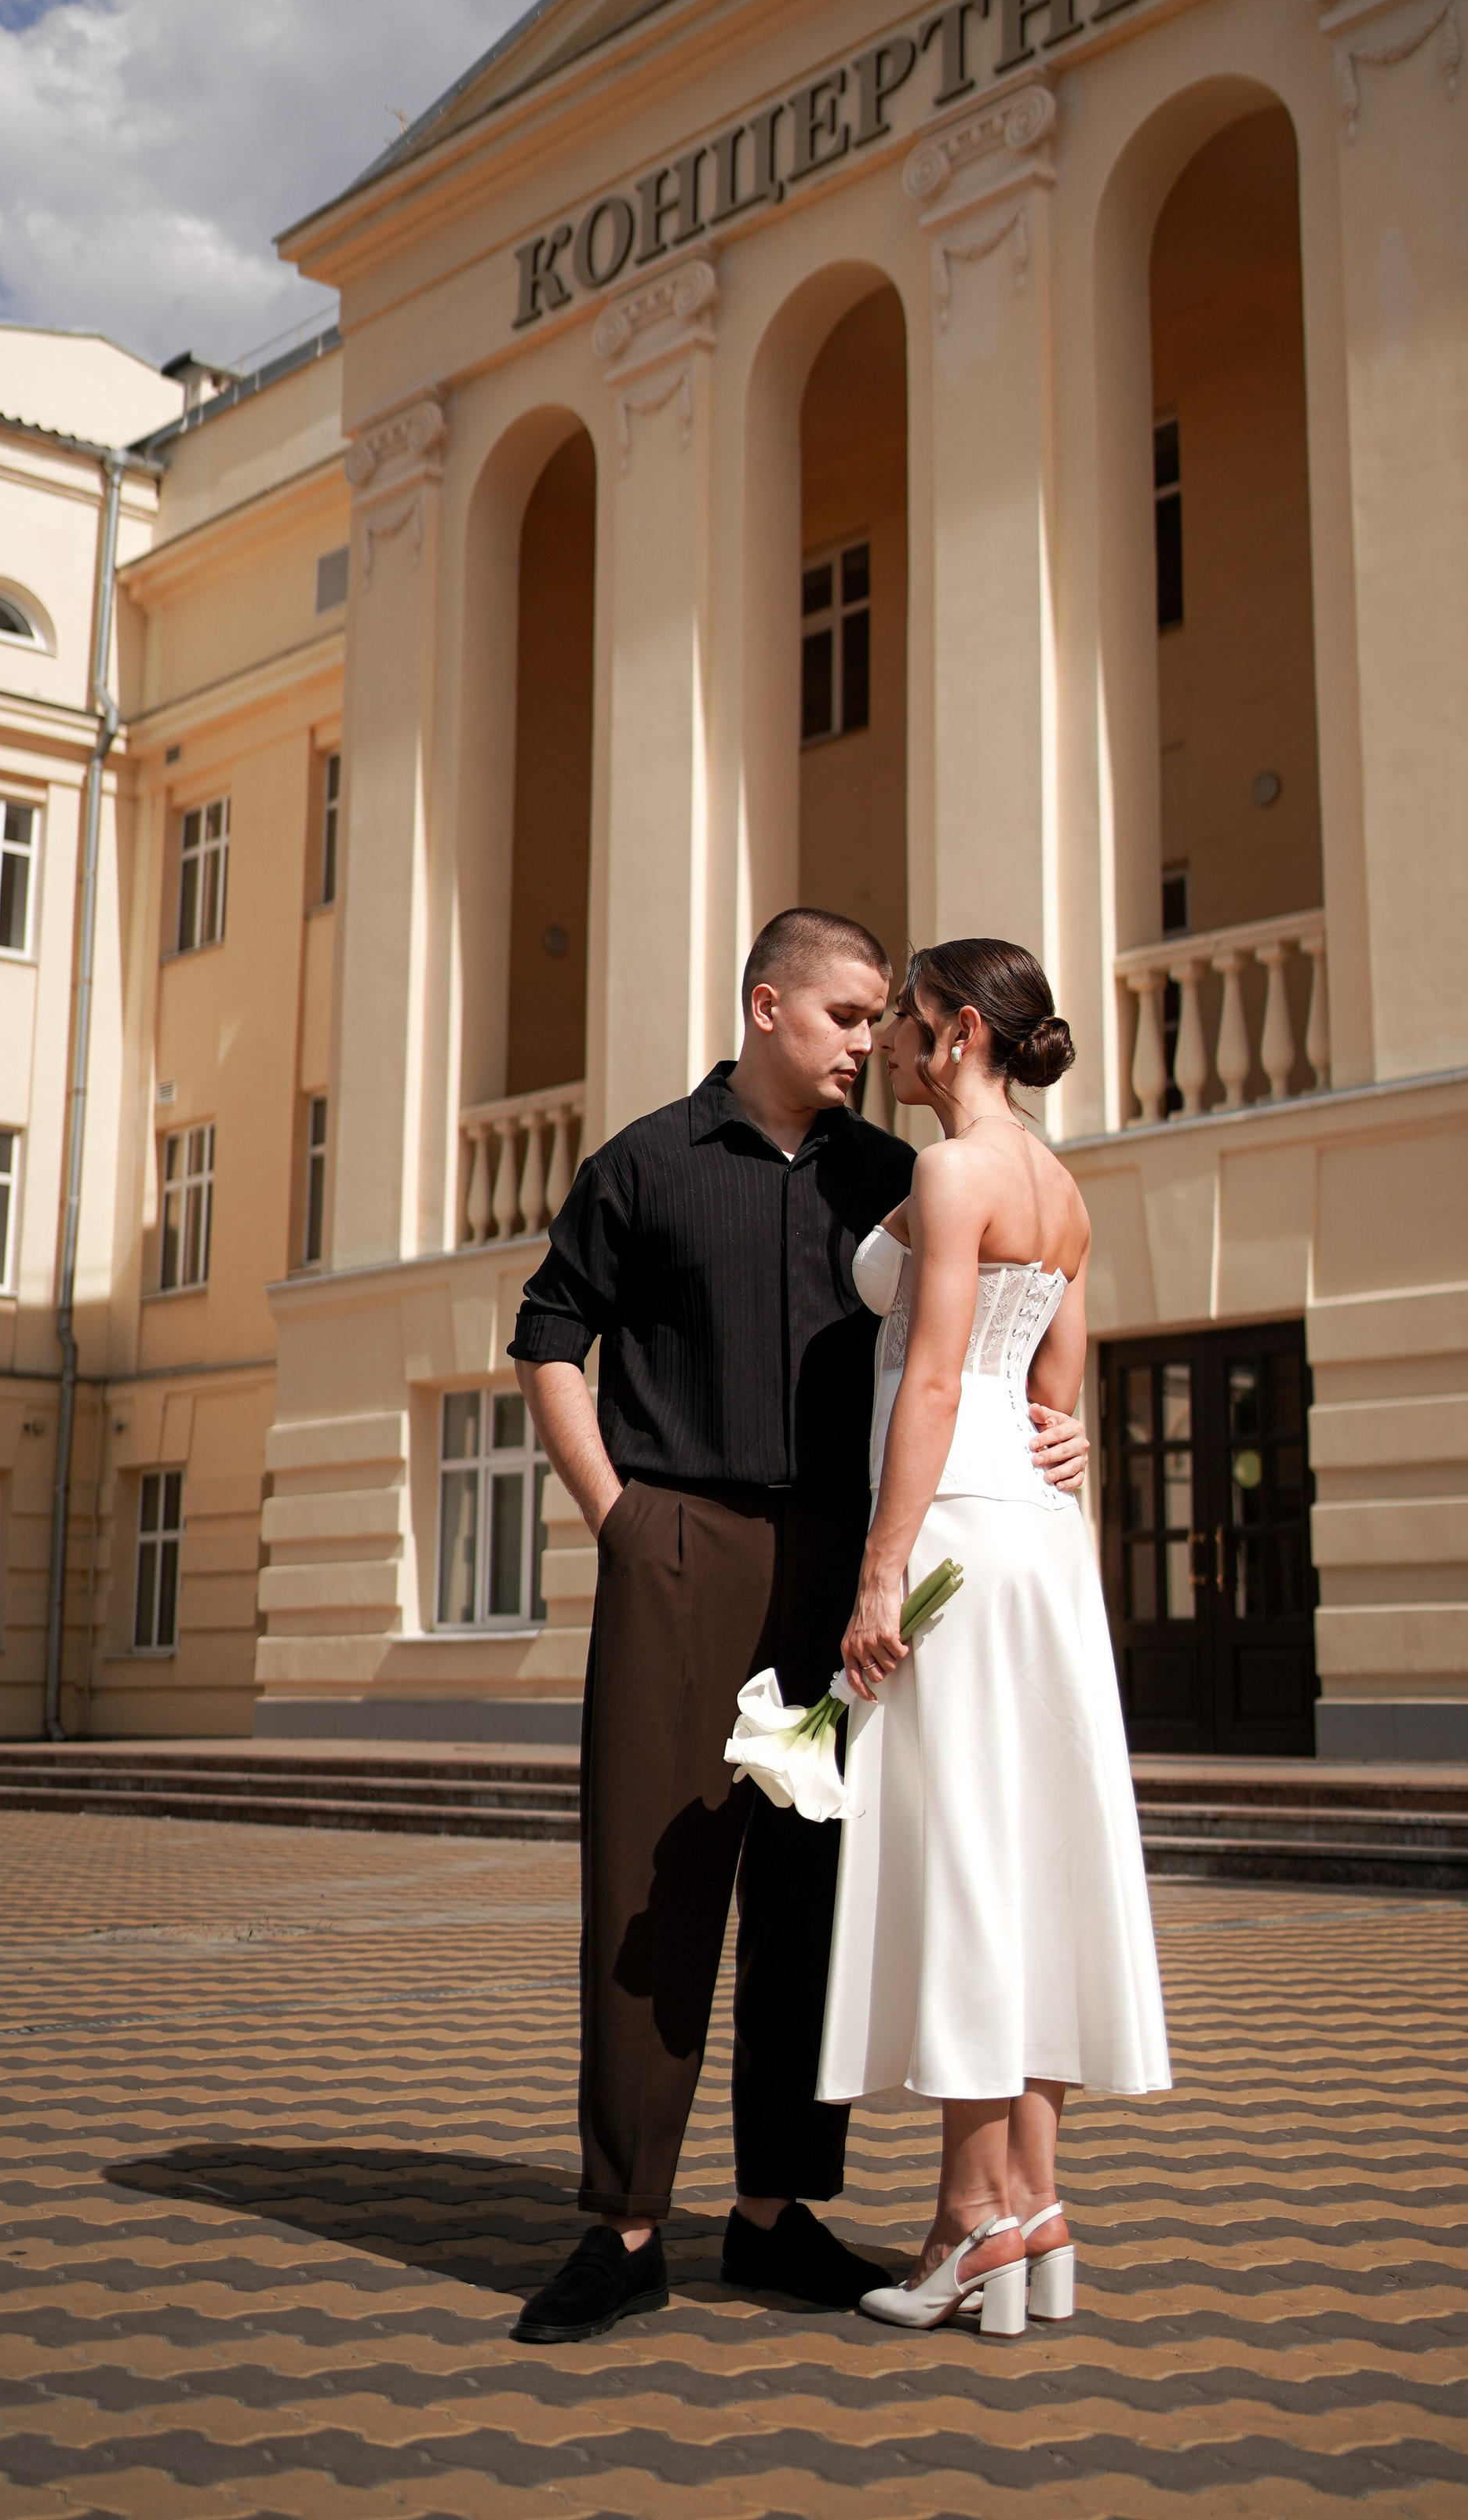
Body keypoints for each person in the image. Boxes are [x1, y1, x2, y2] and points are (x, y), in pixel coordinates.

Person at [505, 909, 1092, 2346]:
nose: (865, 1041)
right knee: (656, 1877)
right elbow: (547, 1338)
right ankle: (629, 2221)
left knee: (815, 1898)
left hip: (851, 1562)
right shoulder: (645, 1160)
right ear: (767, 1006)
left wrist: (1057, 1435)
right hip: (683, 1545)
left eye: (885, 1016)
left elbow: (1012, 1314)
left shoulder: (902, 1175)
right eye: (844, 1016)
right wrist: (620, 1516)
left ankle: (774, 2211)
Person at [818, 937, 1171, 2340]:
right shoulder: (1067, 1190)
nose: (893, 1046)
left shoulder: (954, 1172)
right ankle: (1034, 2199)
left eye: (906, 1025)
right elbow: (1059, 1399)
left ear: (963, 1032)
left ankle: (972, 2223)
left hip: (956, 1519)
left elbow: (942, 1380)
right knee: (1030, 1862)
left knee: (968, 1860)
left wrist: (879, 1568)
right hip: (1041, 1544)